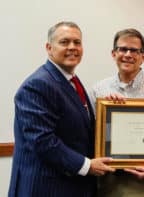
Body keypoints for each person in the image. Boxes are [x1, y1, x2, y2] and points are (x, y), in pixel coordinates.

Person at [8, 21, 115, 197]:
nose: (72, 47)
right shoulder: (38, 85)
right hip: (46, 188)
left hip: (72, 186)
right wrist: (87, 166)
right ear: (49, 48)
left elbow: (82, 131)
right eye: (64, 42)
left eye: (77, 42)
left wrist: (112, 111)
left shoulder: (72, 81)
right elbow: (43, 141)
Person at [89, 28, 144, 197]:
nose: (128, 54)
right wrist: (109, 114)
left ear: (143, 56)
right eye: (122, 49)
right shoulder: (99, 90)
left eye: (134, 50)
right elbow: (91, 133)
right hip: (109, 181)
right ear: (113, 54)